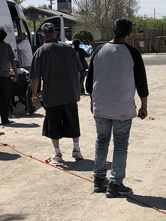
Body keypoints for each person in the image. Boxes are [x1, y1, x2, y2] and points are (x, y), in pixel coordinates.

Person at [86, 18, 148, 197]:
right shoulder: (133, 53)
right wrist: (143, 106)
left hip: (101, 106)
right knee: (120, 145)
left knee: (101, 141)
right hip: (122, 107)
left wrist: (92, 101)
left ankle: (98, 180)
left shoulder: (99, 51)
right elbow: (141, 83)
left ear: (113, 30)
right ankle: (115, 183)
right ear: (129, 33)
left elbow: (89, 82)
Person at [30, 22, 84, 162]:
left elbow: (35, 77)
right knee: (73, 121)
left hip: (51, 96)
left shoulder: (40, 52)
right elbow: (79, 70)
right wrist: (75, 86)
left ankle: (58, 153)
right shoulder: (68, 48)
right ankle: (76, 149)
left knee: (53, 124)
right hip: (70, 94)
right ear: (55, 34)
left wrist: (34, 95)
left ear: (43, 36)